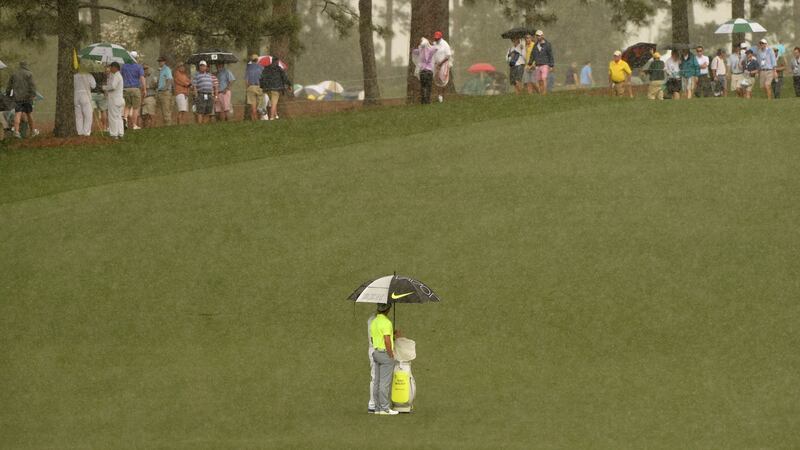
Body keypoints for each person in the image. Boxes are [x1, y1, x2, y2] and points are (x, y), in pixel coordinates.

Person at [370, 303, 398, 415]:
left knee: (377, 382)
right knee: (384, 383)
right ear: (388, 310)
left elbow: (373, 339)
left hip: (376, 352)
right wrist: (390, 354)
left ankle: (377, 408)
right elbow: (387, 340)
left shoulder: (374, 321)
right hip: (385, 353)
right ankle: (385, 408)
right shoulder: (387, 322)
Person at [7, 61, 39, 138]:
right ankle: (32, 131)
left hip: (17, 98)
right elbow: (32, 86)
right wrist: (33, 95)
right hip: (27, 98)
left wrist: (8, 95)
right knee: (29, 114)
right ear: (26, 65)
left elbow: (9, 86)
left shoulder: (14, 74)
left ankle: (16, 132)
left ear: (20, 65)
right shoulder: (29, 74)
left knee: (17, 114)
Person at [259, 56, 291, 120]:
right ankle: (271, 117)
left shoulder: (266, 69)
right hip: (276, 88)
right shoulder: (279, 68)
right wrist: (289, 84)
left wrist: (262, 87)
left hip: (267, 89)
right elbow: (284, 77)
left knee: (272, 102)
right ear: (277, 62)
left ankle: (275, 116)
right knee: (274, 104)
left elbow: (261, 78)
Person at [121, 51, 145, 129]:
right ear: (136, 58)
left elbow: (121, 77)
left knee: (127, 106)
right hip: (135, 89)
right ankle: (134, 125)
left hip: (125, 89)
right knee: (135, 107)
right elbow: (142, 78)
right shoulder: (138, 67)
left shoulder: (124, 66)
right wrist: (144, 89)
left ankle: (125, 119)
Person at [103, 62, 125, 139]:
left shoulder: (117, 75)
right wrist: (108, 77)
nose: (110, 69)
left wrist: (104, 87)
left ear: (115, 67)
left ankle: (114, 134)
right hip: (119, 99)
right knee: (118, 117)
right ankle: (120, 133)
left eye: (111, 67)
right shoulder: (116, 75)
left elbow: (113, 86)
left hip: (114, 100)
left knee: (113, 117)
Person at [73, 66, 96, 136]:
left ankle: (79, 132)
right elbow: (94, 86)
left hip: (76, 95)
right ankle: (86, 132)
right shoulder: (89, 75)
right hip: (85, 95)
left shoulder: (74, 76)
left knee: (78, 116)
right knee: (88, 115)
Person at [531, 30, 554, 95]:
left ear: (542, 35)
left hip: (545, 64)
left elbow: (550, 55)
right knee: (539, 80)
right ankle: (541, 93)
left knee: (544, 78)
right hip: (537, 64)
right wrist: (530, 63)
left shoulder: (547, 44)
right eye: (537, 36)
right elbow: (532, 55)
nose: (538, 37)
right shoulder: (535, 45)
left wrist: (551, 65)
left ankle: (544, 93)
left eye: (539, 35)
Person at [431, 31, 453, 102]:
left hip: (443, 64)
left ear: (440, 37)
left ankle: (442, 95)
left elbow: (448, 56)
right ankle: (439, 95)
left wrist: (441, 63)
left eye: (437, 38)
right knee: (437, 79)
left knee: (443, 79)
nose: (436, 39)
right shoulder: (434, 44)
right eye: (435, 38)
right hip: (436, 64)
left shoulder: (445, 44)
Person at [415, 37, 437, 104]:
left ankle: (423, 100)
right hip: (429, 71)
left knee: (423, 86)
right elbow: (436, 48)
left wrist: (420, 45)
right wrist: (430, 43)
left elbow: (414, 51)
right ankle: (428, 100)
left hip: (422, 71)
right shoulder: (431, 50)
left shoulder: (420, 50)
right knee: (428, 87)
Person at [245, 54, 263, 120]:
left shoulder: (248, 68)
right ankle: (259, 119)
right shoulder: (261, 67)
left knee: (253, 106)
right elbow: (263, 78)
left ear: (251, 60)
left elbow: (246, 80)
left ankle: (254, 120)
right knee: (260, 105)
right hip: (259, 87)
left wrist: (248, 87)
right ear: (257, 60)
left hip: (251, 87)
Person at [156, 56, 173, 125]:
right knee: (162, 111)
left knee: (166, 110)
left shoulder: (167, 69)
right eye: (159, 61)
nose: (160, 62)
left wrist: (165, 88)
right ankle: (165, 125)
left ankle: (168, 126)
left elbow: (170, 79)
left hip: (165, 92)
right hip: (160, 92)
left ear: (164, 62)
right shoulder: (161, 70)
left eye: (161, 61)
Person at [366, 311, 377, 413]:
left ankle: (374, 404)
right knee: (375, 377)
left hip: (374, 349)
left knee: (376, 377)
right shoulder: (375, 320)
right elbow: (375, 339)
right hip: (376, 350)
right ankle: (372, 404)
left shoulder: (372, 319)